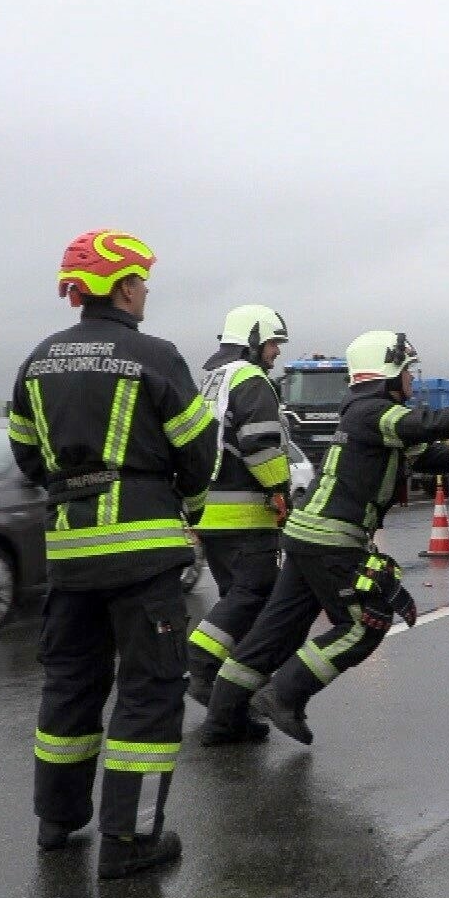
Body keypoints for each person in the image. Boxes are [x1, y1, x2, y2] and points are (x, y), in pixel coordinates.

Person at [8, 230, 217, 879]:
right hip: (145, 555)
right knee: (149, 691)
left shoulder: (36, 361)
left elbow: (24, 455)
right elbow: (198, 454)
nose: (146, 291)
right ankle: (129, 841)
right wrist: (188, 509)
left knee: (70, 686)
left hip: (69, 557)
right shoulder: (155, 356)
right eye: (142, 281)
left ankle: (57, 820)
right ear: (124, 286)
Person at [201, 331, 449, 746]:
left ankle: (223, 721)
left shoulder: (372, 417)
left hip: (306, 535)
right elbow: (431, 425)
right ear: (387, 373)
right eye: (406, 371)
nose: (412, 381)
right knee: (365, 624)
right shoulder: (375, 412)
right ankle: (284, 695)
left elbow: (434, 455)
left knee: (274, 632)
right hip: (332, 539)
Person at [186, 304, 294, 717]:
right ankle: (199, 660)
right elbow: (261, 443)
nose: (275, 353)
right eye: (271, 343)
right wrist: (279, 488)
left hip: (210, 513)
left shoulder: (212, 378)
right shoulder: (250, 378)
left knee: (238, 597)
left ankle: (230, 694)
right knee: (255, 593)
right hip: (245, 515)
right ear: (252, 338)